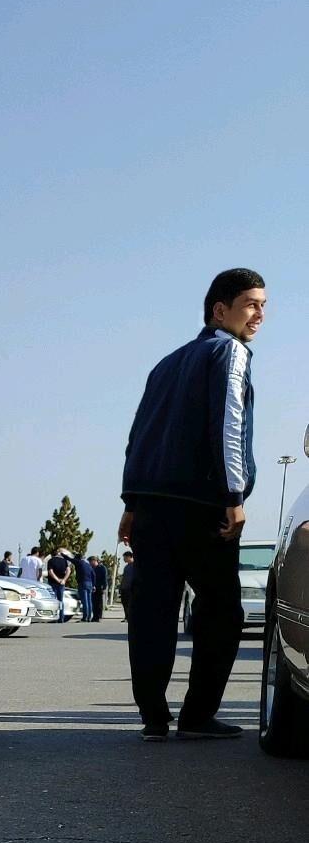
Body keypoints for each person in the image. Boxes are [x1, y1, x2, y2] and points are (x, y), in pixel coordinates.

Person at [119, 266, 265, 740]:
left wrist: (132, 502)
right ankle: (197, 716)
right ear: (220, 310)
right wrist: (233, 497)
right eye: (251, 305)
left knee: (153, 614)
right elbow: (227, 423)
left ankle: (154, 719)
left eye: (264, 306)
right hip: (202, 509)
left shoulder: (165, 363)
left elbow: (138, 436)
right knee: (222, 611)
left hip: (153, 509)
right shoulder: (230, 351)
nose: (259, 315)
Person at [47, 548, 73, 621]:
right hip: (62, 583)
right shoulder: (64, 561)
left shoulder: (51, 561)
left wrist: (57, 579)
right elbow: (68, 570)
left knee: (54, 600)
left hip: (53, 582)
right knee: (60, 600)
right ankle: (61, 617)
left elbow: (50, 571)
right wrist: (64, 579)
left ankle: (54, 617)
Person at [74, 552, 96, 622]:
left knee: (85, 601)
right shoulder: (88, 565)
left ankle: (85, 617)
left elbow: (69, 559)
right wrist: (93, 585)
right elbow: (93, 575)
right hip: (90, 584)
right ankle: (89, 617)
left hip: (83, 583)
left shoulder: (79, 563)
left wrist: (63, 554)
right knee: (89, 601)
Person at [118, 550, 137, 622]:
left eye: (125, 557)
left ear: (129, 557)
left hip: (131, 588)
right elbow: (124, 577)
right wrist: (121, 587)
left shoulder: (135, 566)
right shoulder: (126, 567)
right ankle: (127, 617)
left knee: (130, 604)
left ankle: (131, 618)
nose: (124, 559)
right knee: (125, 603)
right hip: (124, 588)